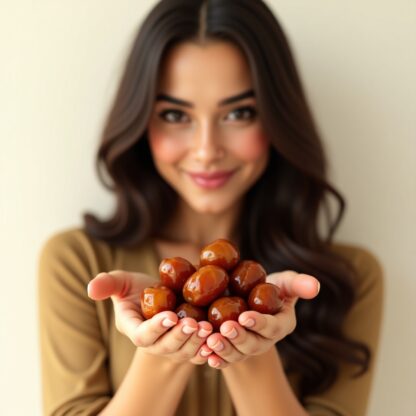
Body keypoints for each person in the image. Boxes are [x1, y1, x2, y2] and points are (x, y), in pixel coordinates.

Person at [37, 1, 383, 415]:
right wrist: (163, 348)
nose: (206, 150)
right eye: (174, 114)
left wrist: (252, 349)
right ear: (141, 121)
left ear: (277, 119)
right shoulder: (78, 263)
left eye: (239, 113)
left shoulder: (348, 278)